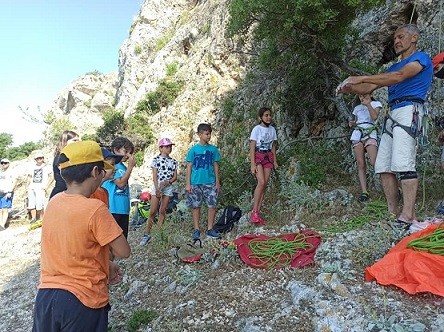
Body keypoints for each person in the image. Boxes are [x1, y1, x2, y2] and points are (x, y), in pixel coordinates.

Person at [336, 24, 433, 228]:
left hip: (410, 109)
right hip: (394, 112)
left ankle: (407, 215)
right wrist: (349, 88)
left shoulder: (421, 58)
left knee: (404, 162)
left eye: (400, 37)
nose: (396, 41)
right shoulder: (391, 69)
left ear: (414, 37)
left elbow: (400, 77)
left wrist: (360, 77)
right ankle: (393, 213)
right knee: (383, 166)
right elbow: (369, 86)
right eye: (394, 39)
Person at [32, 140, 131, 332]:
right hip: (83, 299)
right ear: (95, 172)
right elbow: (123, 250)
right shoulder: (95, 208)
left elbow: (69, 246)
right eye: (103, 171)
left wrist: (104, 263)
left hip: (46, 297)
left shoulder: (54, 203)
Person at [185, 123, 221, 240]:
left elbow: (215, 165)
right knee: (196, 206)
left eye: (209, 134)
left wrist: (217, 182)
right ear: (200, 135)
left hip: (210, 182)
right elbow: (189, 167)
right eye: (206, 134)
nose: (208, 136)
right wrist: (188, 184)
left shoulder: (213, 149)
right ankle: (196, 229)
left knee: (212, 205)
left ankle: (210, 229)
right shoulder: (193, 150)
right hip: (195, 182)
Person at [140, 138, 178, 246]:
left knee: (163, 210)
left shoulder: (173, 161)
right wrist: (157, 188)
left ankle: (159, 233)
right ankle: (147, 234)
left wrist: (169, 182)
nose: (169, 148)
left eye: (170, 146)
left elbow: (175, 176)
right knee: (152, 211)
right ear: (161, 148)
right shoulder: (156, 160)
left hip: (168, 187)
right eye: (167, 146)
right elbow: (154, 176)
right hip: (158, 186)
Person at [348, 94, 382, 202]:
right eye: (360, 96)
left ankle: (391, 185)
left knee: (374, 161)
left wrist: (368, 104)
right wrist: (353, 123)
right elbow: (357, 121)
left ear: (370, 95)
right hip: (358, 133)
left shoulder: (376, 104)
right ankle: (364, 191)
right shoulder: (357, 108)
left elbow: (375, 117)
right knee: (360, 163)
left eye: (364, 95)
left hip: (370, 133)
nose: (361, 98)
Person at [101, 137, 136, 238]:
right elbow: (121, 183)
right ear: (116, 149)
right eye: (125, 151)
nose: (128, 155)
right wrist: (130, 168)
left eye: (130, 153)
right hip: (112, 208)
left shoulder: (124, 168)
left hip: (123, 209)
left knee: (122, 238)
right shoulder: (112, 166)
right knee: (112, 239)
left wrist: (128, 168)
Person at [249, 107, 278, 225]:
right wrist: (252, 164)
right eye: (266, 115)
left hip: (268, 157)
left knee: (264, 184)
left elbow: (273, 147)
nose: (268, 117)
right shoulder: (256, 129)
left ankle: (257, 212)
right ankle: (254, 211)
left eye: (270, 115)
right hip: (258, 156)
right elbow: (252, 146)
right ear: (260, 117)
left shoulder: (272, 130)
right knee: (260, 182)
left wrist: (275, 161)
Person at [49, 130, 80, 199]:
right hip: (61, 194)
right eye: (74, 140)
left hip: (68, 193)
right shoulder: (61, 157)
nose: (78, 142)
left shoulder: (69, 156)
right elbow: (69, 176)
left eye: (78, 140)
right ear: (65, 141)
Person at [27, 151, 53, 223]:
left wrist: (46, 186)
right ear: (35, 159)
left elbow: (51, 176)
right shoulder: (32, 167)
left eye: (40, 158)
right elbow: (29, 177)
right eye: (37, 158)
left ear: (43, 158)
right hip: (32, 187)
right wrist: (27, 186)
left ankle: (42, 219)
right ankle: (33, 218)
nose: (39, 159)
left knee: (40, 203)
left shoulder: (47, 167)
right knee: (31, 203)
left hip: (40, 187)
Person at [0, 158, 17, 230]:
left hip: (7, 192)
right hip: (0, 192)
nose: (4, 164)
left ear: (8, 163)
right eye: (2, 163)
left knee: (5, 209)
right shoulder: (1, 172)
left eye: (5, 163)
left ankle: (2, 224)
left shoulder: (12, 172)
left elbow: (15, 181)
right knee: (0, 210)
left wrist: (10, 191)